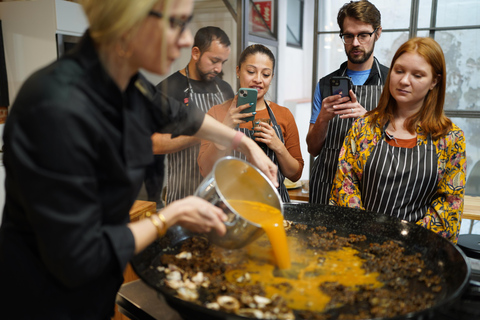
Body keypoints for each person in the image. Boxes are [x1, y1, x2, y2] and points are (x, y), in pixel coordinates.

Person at [0, 0, 278, 319]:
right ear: (129, 22)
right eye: (177, 23)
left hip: (95, 291)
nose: (188, 40)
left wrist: (244, 143)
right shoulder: (56, 107)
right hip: (43, 302)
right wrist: (170, 215)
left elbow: (181, 114)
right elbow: (77, 256)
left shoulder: (124, 81)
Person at [329, 37, 466, 244]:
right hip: (360, 243)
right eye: (399, 71)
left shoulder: (450, 138)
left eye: (417, 75)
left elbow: (449, 206)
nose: (404, 81)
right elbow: (344, 186)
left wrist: (407, 242)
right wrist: (366, 233)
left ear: (434, 81)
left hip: (417, 252)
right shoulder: (364, 127)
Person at [198, 44, 304, 202]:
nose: (258, 80)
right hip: (229, 207)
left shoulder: (284, 115)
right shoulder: (216, 113)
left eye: (266, 74)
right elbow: (205, 170)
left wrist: (278, 147)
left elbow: (295, 175)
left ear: (271, 77)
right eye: (251, 72)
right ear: (238, 71)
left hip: (272, 205)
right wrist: (225, 127)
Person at [307, 0, 389, 204]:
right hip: (326, 186)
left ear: (377, 33)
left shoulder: (392, 83)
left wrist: (368, 120)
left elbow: (404, 147)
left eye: (363, 35)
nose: (355, 43)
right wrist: (323, 119)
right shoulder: (326, 84)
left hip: (372, 189)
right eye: (348, 36)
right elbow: (312, 148)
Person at [152, 26, 234, 204]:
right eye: (214, 60)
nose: (219, 68)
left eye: (223, 62)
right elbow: (153, 144)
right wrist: (205, 132)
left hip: (221, 195)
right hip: (183, 196)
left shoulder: (225, 89)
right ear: (196, 53)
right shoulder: (168, 89)